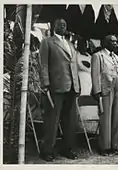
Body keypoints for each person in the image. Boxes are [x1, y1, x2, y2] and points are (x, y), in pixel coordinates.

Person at [39, 18, 81, 161]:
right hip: (55, 87)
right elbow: (43, 64)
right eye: (60, 25)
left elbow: (73, 66)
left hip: (71, 87)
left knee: (70, 121)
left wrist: (78, 85)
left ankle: (67, 149)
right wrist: (45, 84)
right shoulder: (47, 42)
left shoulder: (70, 44)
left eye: (65, 24)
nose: (63, 26)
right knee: (52, 120)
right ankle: (47, 150)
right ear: (53, 27)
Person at [91, 35, 118, 156]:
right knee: (105, 118)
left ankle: (114, 146)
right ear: (105, 43)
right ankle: (104, 147)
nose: (116, 44)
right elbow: (95, 74)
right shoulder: (98, 56)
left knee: (117, 117)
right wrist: (96, 90)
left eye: (116, 42)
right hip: (105, 89)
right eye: (113, 42)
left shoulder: (117, 57)